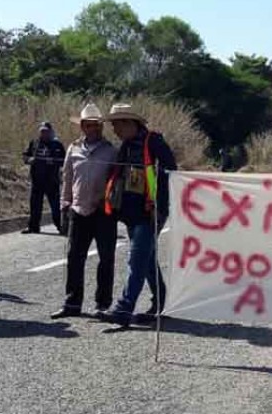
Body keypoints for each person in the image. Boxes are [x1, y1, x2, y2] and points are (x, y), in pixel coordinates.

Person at [102, 104, 177, 328]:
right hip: (131, 212)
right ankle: (161, 303)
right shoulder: (125, 145)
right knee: (147, 260)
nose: (114, 130)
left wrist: (158, 203)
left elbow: (170, 171)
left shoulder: (154, 142)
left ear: (129, 123)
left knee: (136, 259)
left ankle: (123, 309)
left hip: (150, 211)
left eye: (116, 125)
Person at [51, 104, 118, 319]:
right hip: (79, 210)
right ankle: (72, 304)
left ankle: (103, 304)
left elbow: (117, 181)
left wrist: (110, 202)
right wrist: (65, 204)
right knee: (74, 257)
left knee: (106, 258)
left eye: (97, 125)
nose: (94, 129)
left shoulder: (112, 151)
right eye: (89, 125)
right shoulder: (73, 148)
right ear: (82, 127)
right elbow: (67, 178)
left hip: (103, 211)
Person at [22, 121, 66, 234]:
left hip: (52, 181)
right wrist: (29, 160)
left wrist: (53, 162)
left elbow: (65, 161)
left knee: (56, 206)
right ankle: (33, 227)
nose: (43, 134)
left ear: (50, 132)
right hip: (37, 180)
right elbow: (25, 156)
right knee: (35, 205)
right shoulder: (34, 143)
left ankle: (61, 226)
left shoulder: (57, 145)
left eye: (46, 131)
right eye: (42, 131)